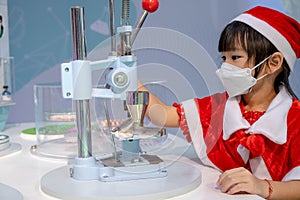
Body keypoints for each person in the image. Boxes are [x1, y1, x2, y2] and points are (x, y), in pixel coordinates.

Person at [138, 6, 300, 199]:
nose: (225, 66)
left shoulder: (295, 121)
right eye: (224, 58)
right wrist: (130, 80)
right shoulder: (218, 108)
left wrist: (262, 187)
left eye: (235, 58)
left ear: (273, 63)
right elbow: (161, 115)